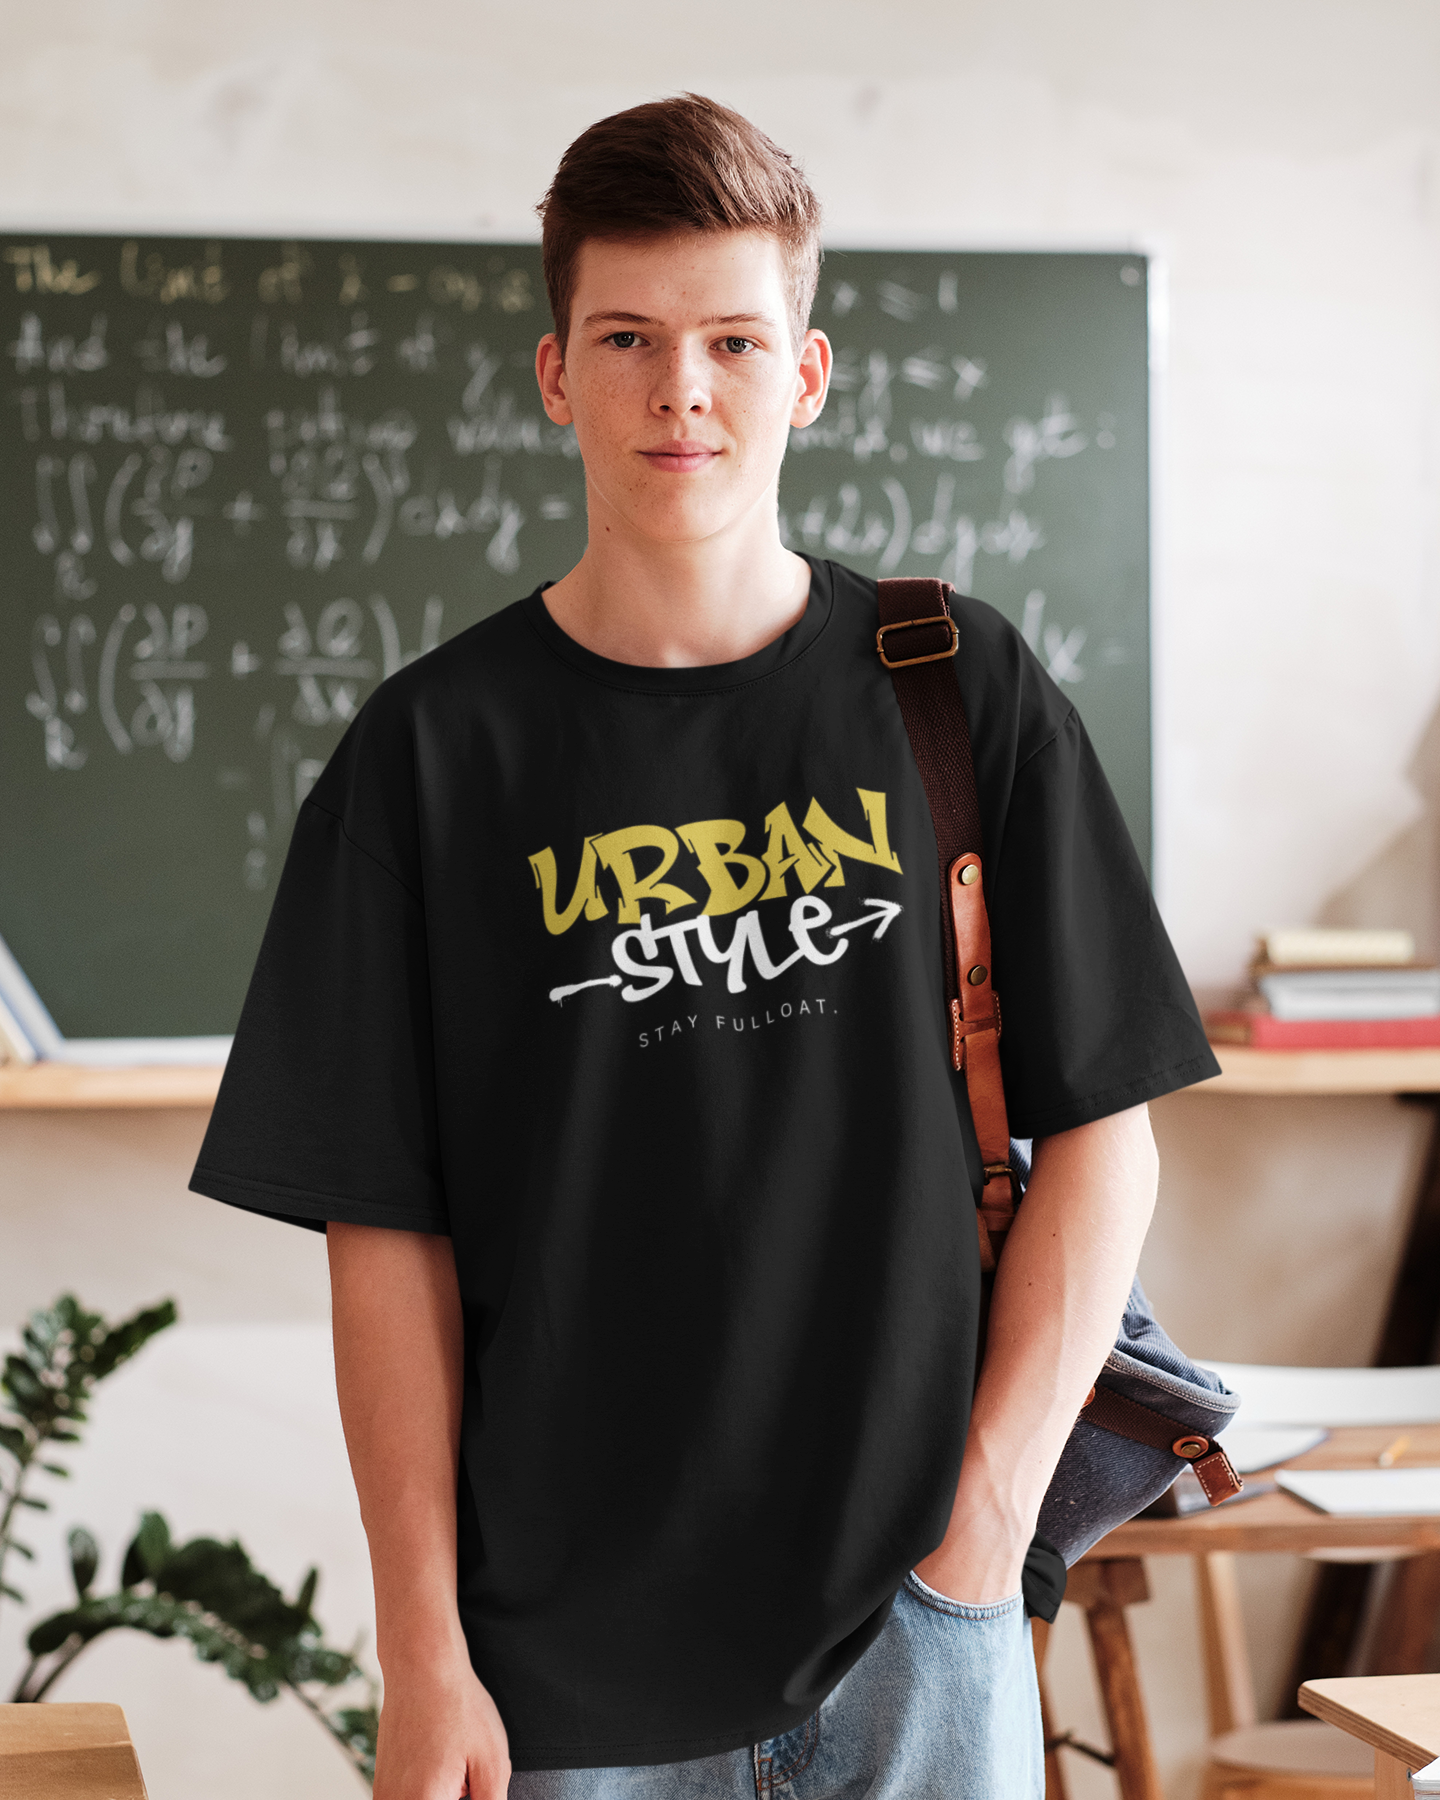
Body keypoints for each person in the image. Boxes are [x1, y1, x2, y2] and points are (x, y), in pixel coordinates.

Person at [191, 94, 1219, 1800]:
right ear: (555, 373)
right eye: (630, 338)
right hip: (560, 1679)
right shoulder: (432, 756)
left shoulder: (954, 688)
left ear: (805, 374)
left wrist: (982, 1529)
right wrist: (424, 1652)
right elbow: (386, 1239)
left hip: (919, 1632)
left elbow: (1109, 1129)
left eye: (738, 340)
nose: (684, 388)